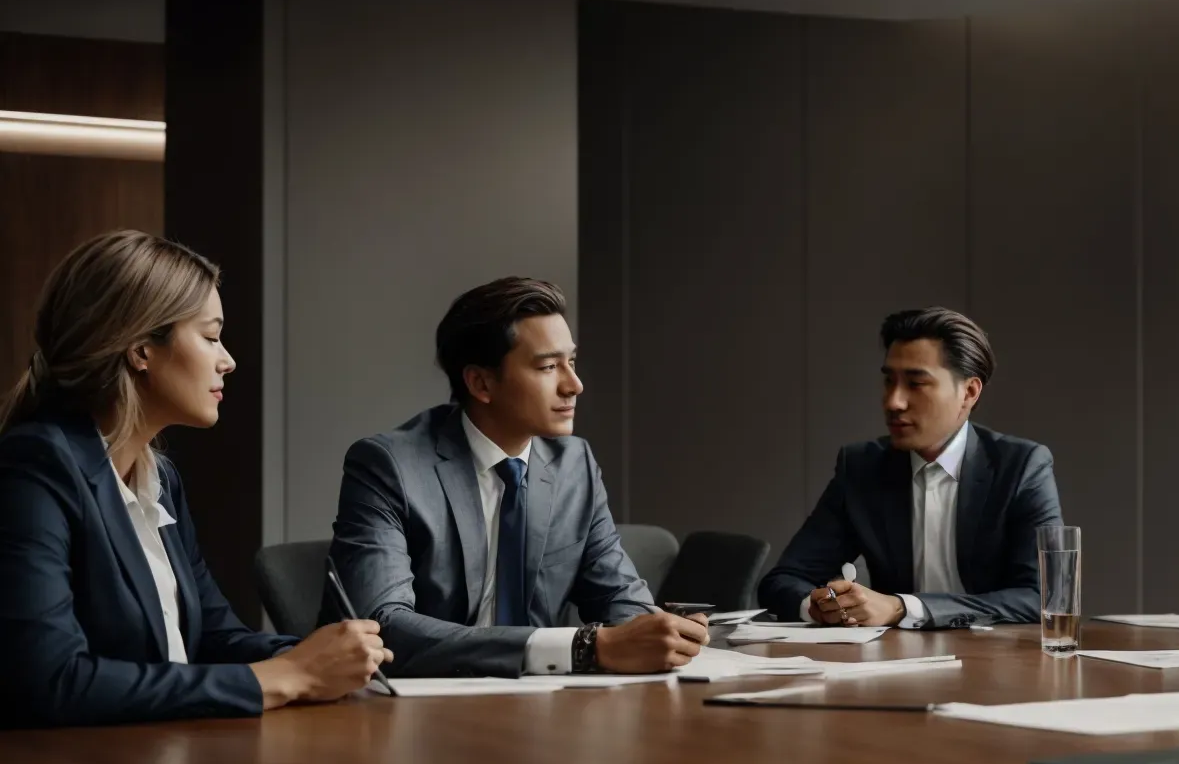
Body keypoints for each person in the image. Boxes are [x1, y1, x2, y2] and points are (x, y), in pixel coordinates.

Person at [0, 231, 389, 726]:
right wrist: (283, 676)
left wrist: (318, 656)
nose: (227, 359)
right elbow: (48, 680)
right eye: (210, 337)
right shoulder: (35, 466)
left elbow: (210, 638)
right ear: (141, 349)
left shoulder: (159, 476)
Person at [327, 277, 705, 677]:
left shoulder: (573, 463)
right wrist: (581, 647)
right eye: (547, 366)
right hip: (411, 710)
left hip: (541, 705)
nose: (574, 385)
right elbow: (382, 628)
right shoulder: (389, 465)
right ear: (481, 383)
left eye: (571, 362)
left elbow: (620, 599)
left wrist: (661, 636)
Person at [758, 307, 1062, 629]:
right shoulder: (863, 468)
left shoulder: (1021, 466)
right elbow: (783, 581)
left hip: (996, 664)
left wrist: (904, 607)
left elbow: (1043, 596)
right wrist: (819, 606)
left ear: (969, 393)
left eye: (916, 384)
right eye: (889, 381)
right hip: (894, 663)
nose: (893, 402)